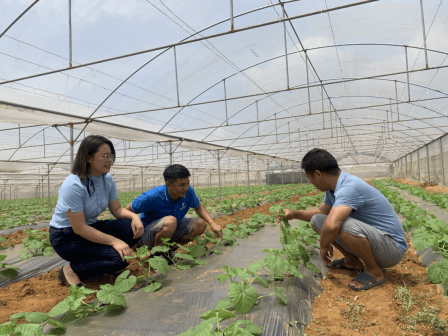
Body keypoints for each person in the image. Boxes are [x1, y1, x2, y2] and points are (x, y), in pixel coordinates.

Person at [281, 148, 407, 291]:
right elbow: (321, 213)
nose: (312, 184)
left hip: (392, 248)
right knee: (318, 220)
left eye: (310, 179)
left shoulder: (349, 186)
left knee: (341, 225)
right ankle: (352, 262)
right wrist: (294, 214)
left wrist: (323, 245)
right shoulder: (332, 189)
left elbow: (332, 225)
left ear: (318, 174)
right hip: (378, 241)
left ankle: (374, 272)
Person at [49, 135, 144, 287]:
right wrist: (115, 241)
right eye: (105, 155)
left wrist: (135, 217)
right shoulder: (73, 185)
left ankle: (102, 261)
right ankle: (71, 270)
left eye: (111, 156)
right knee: (119, 259)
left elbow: (117, 209)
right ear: (88, 158)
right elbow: (79, 228)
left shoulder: (107, 179)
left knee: (130, 228)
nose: (109, 160)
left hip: (90, 227)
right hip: (67, 237)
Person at [126, 164, 222, 263]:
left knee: (200, 224)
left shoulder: (188, 192)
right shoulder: (151, 196)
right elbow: (126, 211)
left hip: (171, 230)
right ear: (168, 185)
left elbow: (198, 207)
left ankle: (169, 250)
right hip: (147, 236)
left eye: (187, 183)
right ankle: (157, 256)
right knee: (171, 221)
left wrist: (212, 223)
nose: (186, 187)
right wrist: (131, 241)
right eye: (182, 185)